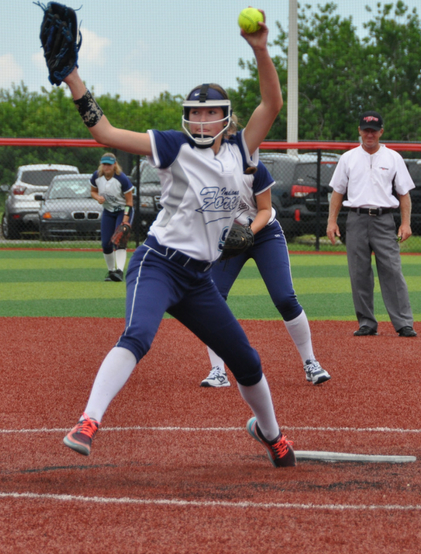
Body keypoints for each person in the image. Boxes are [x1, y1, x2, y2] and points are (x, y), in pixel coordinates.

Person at [58, 10, 296, 467]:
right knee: (139, 334)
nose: (202, 120)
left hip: (198, 280)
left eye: (211, 113)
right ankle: (88, 421)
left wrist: (261, 49)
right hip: (159, 264)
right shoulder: (175, 146)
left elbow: (272, 104)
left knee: (246, 361)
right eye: (195, 113)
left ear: (226, 119)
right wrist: (73, 79)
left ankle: (272, 435)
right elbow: (104, 133)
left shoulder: (239, 152)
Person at [199, 120, 330, 388]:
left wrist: (247, 234)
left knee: (284, 297)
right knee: (212, 299)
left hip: (264, 234)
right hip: (227, 240)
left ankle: (310, 363)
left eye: (231, 136)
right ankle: (217, 370)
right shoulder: (205, 170)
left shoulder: (254, 168)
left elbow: (265, 210)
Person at [326, 110, 417, 338]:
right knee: (359, 273)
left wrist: (405, 223)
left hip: (384, 219)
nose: (369, 135)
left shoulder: (393, 157)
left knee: (392, 270)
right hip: (355, 218)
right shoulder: (348, 158)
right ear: (359, 131)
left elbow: (404, 194)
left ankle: (403, 323)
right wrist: (331, 222)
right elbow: (337, 192)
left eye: (374, 131)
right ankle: (367, 322)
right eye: (366, 130)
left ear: (381, 132)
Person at [90, 152, 134, 282]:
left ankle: (119, 271)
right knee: (106, 244)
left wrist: (125, 220)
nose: (107, 167)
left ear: (115, 164)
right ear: (101, 165)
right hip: (108, 211)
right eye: (104, 164)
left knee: (119, 241)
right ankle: (111, 272)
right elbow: (93, 191)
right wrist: (98, 197)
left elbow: (129, 202)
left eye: (109, 164)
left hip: (123, 210)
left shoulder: (122, 179)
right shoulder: (96, 176)